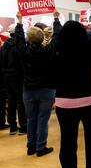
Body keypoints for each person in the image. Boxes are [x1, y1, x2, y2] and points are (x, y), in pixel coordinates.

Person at [54, 0, 91, 168]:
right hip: (90, 101)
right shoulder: (88, 48)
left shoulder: (55, 51)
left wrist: (56, 21)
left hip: (64, 103)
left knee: (67, 141)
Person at [15, 10, 62, 157]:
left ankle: (31, 146)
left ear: (29, 39)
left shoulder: (24, 52)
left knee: (31, 119)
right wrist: (56, 19)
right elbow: (57, 37)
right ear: (42, 38)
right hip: (46, 89)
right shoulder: (48, 51)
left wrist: (19, 22)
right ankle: (41, 147)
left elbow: (19, 40)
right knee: (43, 119)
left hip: (28, 89)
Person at [0, 23, 27, 135]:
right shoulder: (18, 47)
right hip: (18, 77)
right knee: (20, 101)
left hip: (7, 77)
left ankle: (12, 126)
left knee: (11, 101)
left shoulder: (4, 46)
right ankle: (23, 126)